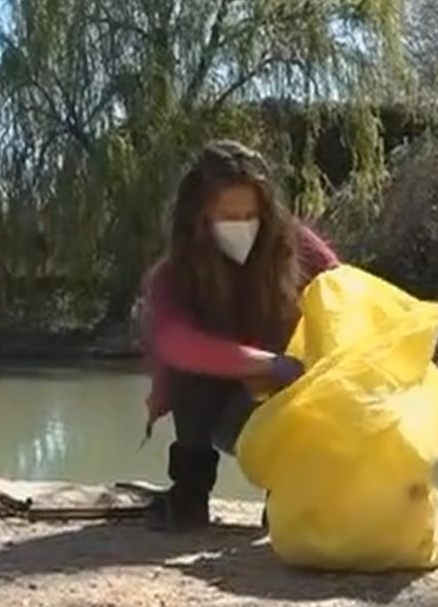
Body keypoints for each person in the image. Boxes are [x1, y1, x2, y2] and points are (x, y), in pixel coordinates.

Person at [138, 140, 340, 531]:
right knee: (187, 374)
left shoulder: (292, 243)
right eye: (227, 217)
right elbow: (174, 342)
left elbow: (342, 290)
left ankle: (286, 496)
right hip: (218, 412)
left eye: (251, 216)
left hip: (289, 408)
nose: (242, 227)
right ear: (198, 218)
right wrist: (266, 364)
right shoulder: (171, 275)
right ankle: (190, 494)